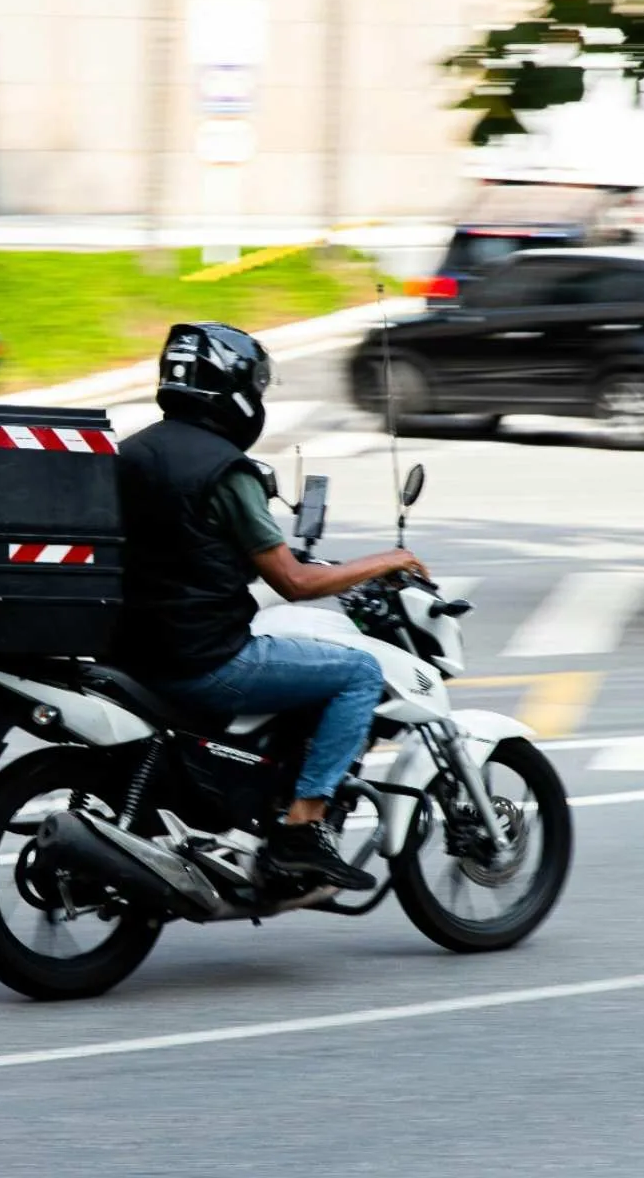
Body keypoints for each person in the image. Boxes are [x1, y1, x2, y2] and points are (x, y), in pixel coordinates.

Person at [114, 322, 430, 892]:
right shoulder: (226, 471)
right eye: (255, 385)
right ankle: (301, 831)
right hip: (203, 660)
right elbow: (294, 582)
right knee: (359, 672)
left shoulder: (129, 452)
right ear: (233, 387)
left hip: (131, 653)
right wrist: (389, 560)